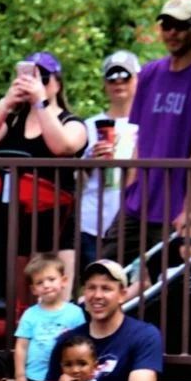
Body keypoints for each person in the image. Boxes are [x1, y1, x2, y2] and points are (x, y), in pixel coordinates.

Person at [119, 0, 191, 257]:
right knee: (108, 267)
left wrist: (190, 207)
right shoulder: (149, 73)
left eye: (180, 26)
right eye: (166, 25)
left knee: (173, 281)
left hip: (178, 202)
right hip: (140, 198)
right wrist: (130, 189)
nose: (172, 32)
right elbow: (141, 137)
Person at [24, 259, 163, 381]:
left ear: (122, 295)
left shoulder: (144, 335)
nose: (97, 295)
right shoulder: (68, 340)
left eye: (106, 288)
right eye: (91, 288)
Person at [0, 51, 88, 265]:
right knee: (14, 293)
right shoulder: (14, 120)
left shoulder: (71, 122)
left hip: (54, 221)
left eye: (43, 78)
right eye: (29, 78)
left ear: (58, 84)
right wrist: (7, 102)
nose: (36, 84)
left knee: (52, 291)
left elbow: (63, 146)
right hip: (13, 218)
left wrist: (40, 103)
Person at [78, 51, 140, 264]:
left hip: (133, 222)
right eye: (112, 77)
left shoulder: (147, 125)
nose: (119, 82)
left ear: (137, 80)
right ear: (104, 84)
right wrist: (90, 163)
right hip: (92, 221)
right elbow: (75, 182)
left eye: (126, 76)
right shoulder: (88, 125)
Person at [11, 252, 85, 381]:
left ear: (63, 281)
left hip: (63, 378)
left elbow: (82, 346)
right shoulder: (30, 314)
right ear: (33, 289)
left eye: (51, 279)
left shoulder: (75, 313)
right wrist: (20, 374)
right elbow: (21, 347)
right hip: (34, 377)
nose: (46, 285)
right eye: (39, 282)